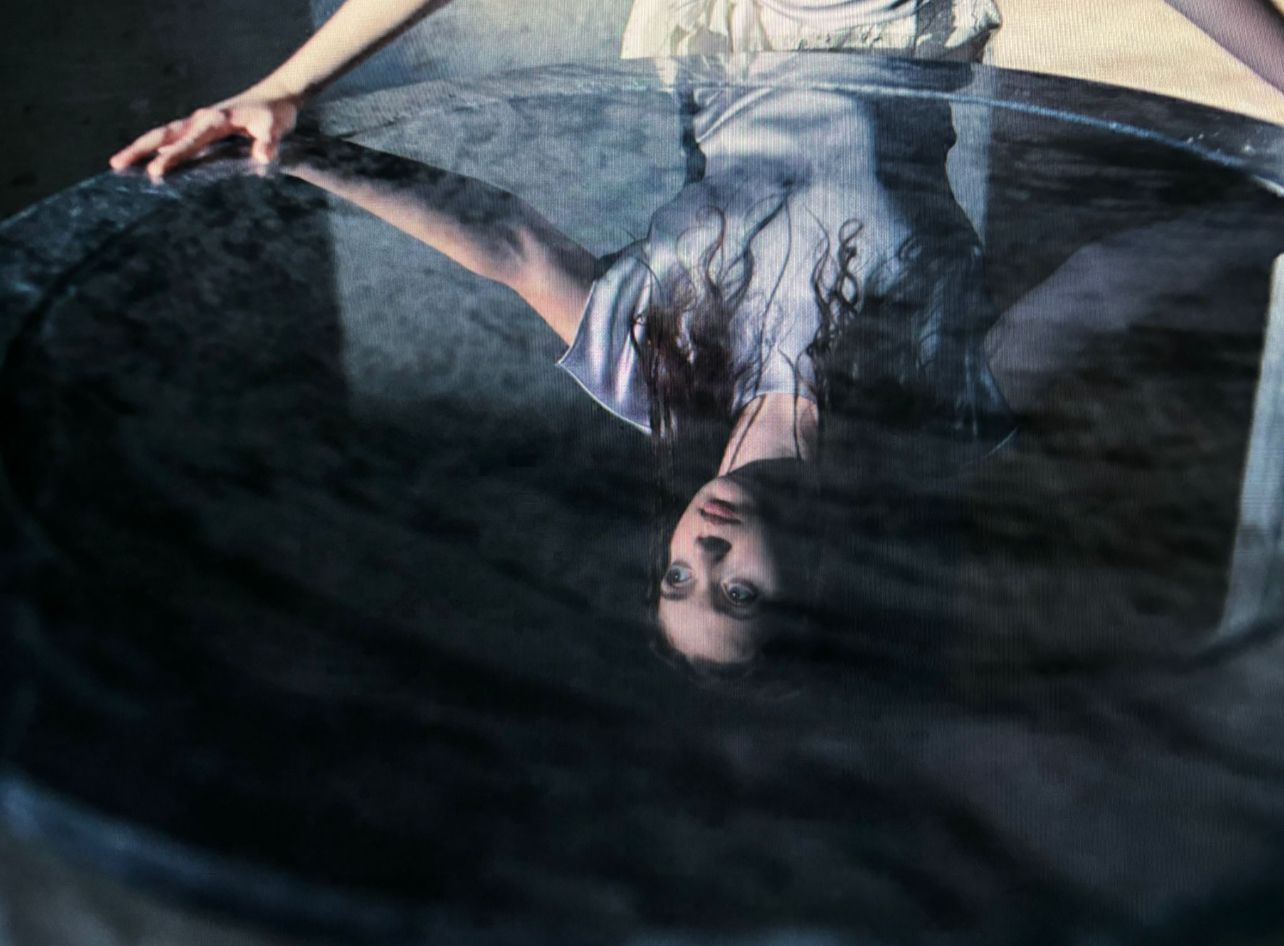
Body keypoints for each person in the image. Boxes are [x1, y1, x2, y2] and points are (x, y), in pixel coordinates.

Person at [108, 0, 1284, 179]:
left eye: (684, 574)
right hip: (706, 108)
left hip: (884, 94)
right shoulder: (657, 380)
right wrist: (285, 88)